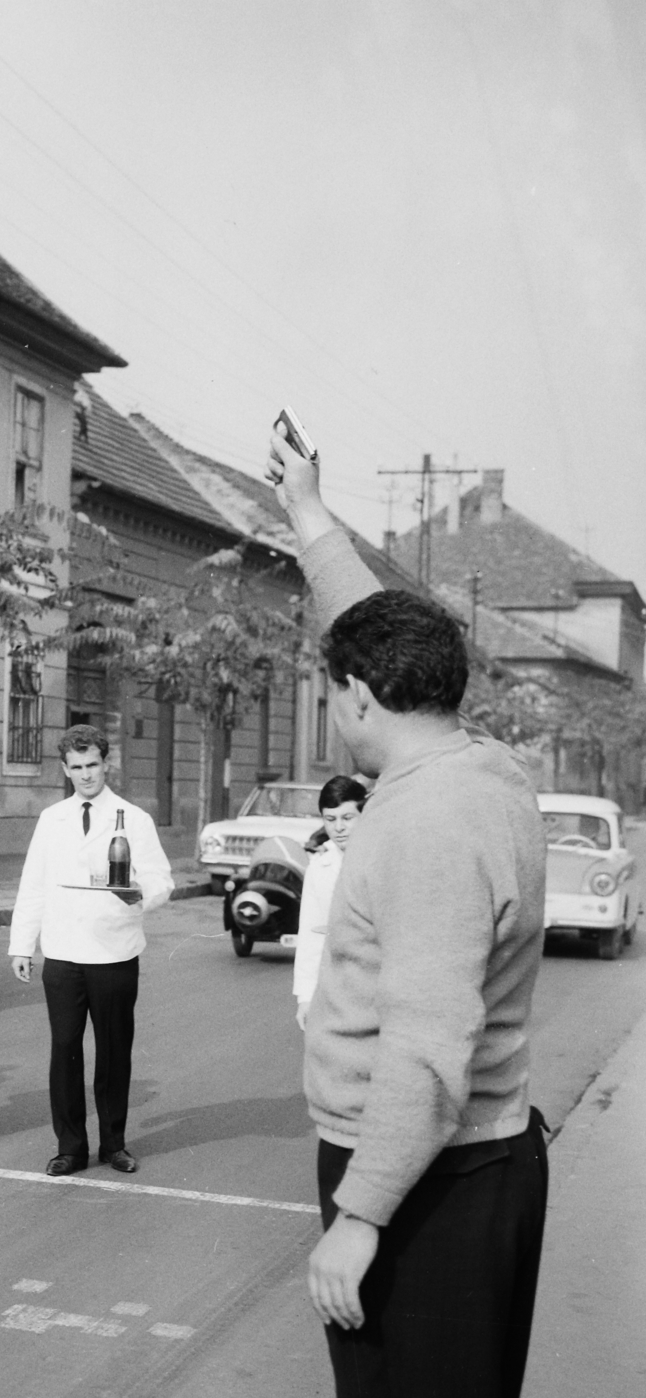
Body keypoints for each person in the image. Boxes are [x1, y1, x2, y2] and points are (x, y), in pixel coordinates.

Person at [269, 425, 548, 1398]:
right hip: (449, 1165)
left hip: (432, 1184)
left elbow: (428, 1043)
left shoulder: (429, 824)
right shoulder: (471, 762)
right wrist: (307, 514)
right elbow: (372, 631)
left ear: (355, 697)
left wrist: (361, 1216)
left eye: (332, 687)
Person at [9, 724, 174, 1177]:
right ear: (65, 769)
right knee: (64, 1049)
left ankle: (114, 1144)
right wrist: (22, 944)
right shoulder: (51, 818)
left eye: (93, 765)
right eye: (76, 768)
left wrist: (139, 892)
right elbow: (33, 885)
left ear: (107, 764)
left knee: (113, 1051)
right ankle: (71, 1147)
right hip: (62, 953)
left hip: (115, 951)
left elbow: (161, 880)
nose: (85, 775)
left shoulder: (133, 819)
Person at [292, 775, 368, 1030]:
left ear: (363, 815)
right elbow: (311, 934)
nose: (338, 828)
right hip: (335, 986)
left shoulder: (379, 859)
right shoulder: (320, 867)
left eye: (348, 818)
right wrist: (305, 997)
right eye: (330, 819)